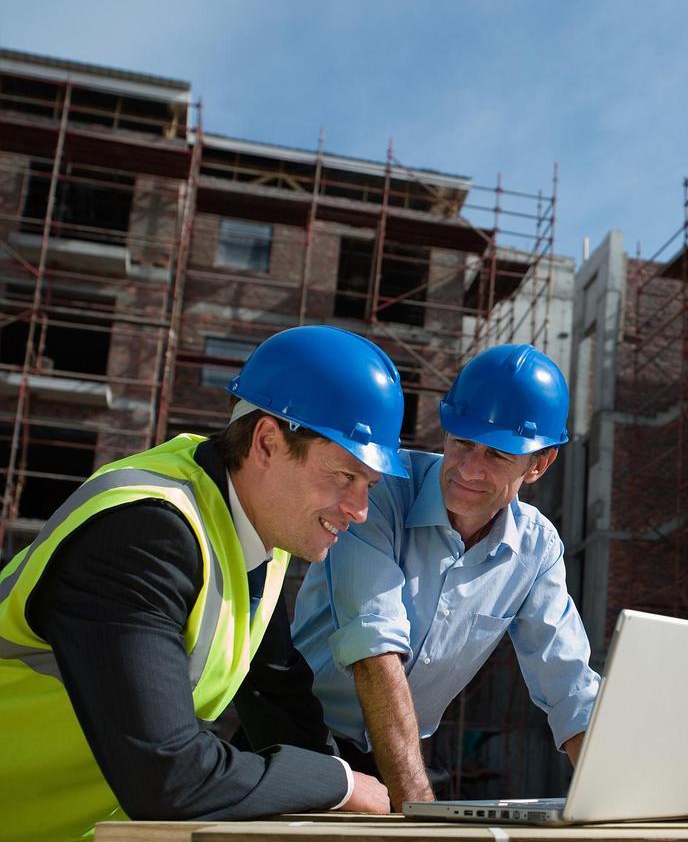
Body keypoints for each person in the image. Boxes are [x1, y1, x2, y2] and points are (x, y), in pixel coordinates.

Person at [0, 326, 406, 841]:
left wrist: (359, 805)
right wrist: (338, 783)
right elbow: (167, 775)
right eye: (344, 476)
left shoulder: (261, 535)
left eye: (368, 485)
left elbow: (277, 695)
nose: (360, 510)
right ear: (266, 441)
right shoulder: (143, 534)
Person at [292, 343, 599, 806]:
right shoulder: (376, 494)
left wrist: (621, 797)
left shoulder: (537, 548)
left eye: (496, 455)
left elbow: (569, 683)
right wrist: (417, 807)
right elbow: (374, 649)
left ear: (539, 464)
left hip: (401, 753)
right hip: (295, 733)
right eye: (462, 443)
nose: (469, 470)